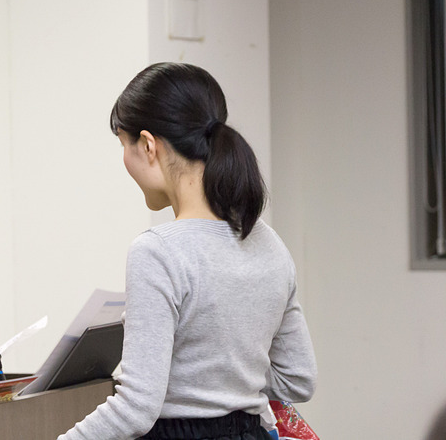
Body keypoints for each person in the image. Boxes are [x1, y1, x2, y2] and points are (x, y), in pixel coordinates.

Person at [58, 63, 317, 440]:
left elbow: (135, 408)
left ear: (148, 145)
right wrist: (227, 379)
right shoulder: (267, 241)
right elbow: (298, 379)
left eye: (123, 146)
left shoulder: (158, 251)